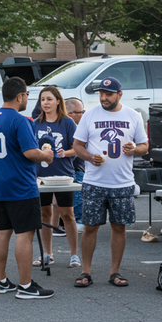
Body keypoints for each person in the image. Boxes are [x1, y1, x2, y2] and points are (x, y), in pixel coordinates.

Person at [72, 77, 149, 288]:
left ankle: (115, 271)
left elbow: (145, 146)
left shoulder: (133, 116)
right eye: (101, 94)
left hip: (122, 183)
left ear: (119, 94)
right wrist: (89, 157)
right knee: (90, 227)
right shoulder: (90, 115)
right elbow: (77, 145)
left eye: (108, 94)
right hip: (94, 182)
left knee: (119, 228)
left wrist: (135, 149)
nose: (104, 98)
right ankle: (85, 271)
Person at [0, 77, 55, 299]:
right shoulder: (21, 120)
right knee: (24, 235)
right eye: (26, 94)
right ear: (19, 96)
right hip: (20, 187)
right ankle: (25, 286)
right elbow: (29, 152)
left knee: (2, 232)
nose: (27, 98)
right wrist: (46, 155)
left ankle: (1, 281)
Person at [32, 86, 80, 269]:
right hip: (41, 176)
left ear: (58, 101)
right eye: (43, 99)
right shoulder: (35, 123)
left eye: (49, 99)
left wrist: (64, 152)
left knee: (67, 214)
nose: (45, 103)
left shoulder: (68, 123)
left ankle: (74, 255)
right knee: (45, 214)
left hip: (63, 175)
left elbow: (78, 148)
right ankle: (47, 253)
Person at [65, 97, 86, 230]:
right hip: (74, 169)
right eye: (80, 112)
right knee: (78, 196)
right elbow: (74, 150)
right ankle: (78, 220)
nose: (83, 114)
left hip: (79, 168)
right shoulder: (70, 127)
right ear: (69, 113)